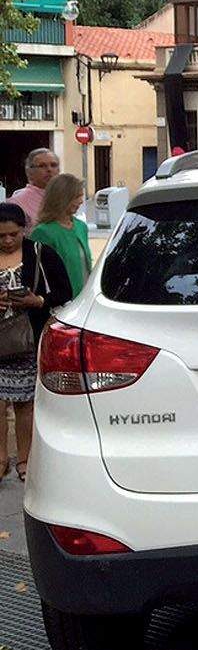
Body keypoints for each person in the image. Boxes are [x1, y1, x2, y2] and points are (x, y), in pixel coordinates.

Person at [0, 202, 70, 484]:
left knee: (25, 404)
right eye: (1, 236)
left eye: (13, 234)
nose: (7, 241)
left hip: (27, 340)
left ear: (23, 230)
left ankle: (25, 459)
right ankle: (1, 459)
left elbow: (65, 291)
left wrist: (37, 300)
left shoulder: (41, 254)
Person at [28, 175, 93, 298]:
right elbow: (37, 274)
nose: (81, 201)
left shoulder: (81, 226)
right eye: (77, 196)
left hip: (84, 301)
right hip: (59, 303)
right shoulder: (43, 232)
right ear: (62, 197)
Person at [8, 148, 61, 229]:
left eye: (53, 165)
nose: (49, 169)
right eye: (42, 166)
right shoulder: (17, 202)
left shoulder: (66, 198)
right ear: (29, 172)